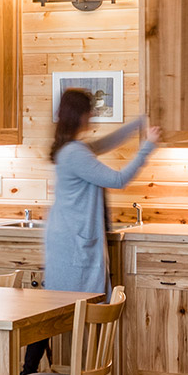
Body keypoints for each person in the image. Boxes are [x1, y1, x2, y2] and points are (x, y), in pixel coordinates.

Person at [43, 88, 160, 298]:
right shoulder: (74, 153)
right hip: (72, 243)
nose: (92, 115)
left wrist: (139, 123)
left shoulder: (72, 148)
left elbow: (107, 142)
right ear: (79, 115)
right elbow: (118, 180)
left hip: (69, 237)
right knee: (79, 304)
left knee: (76, 303)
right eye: (89, 111)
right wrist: (148, 146)